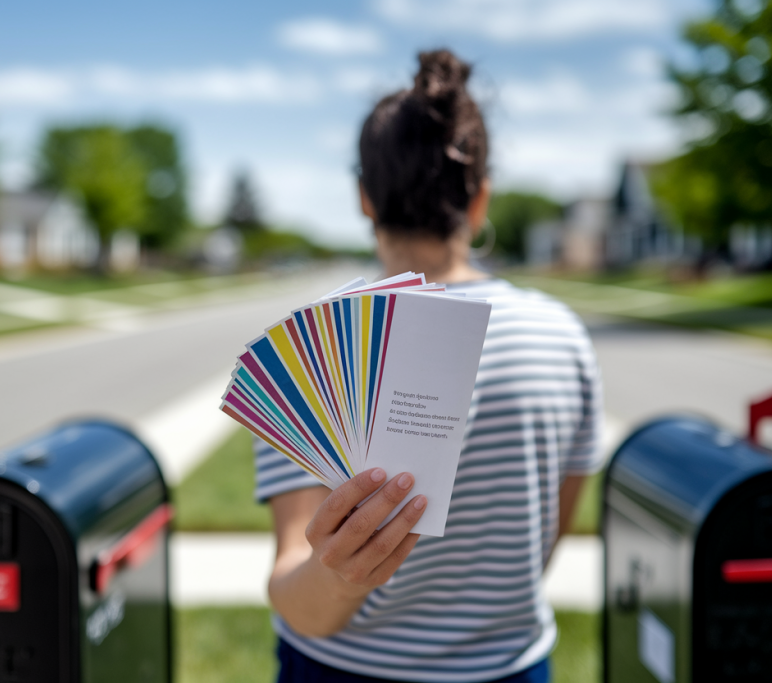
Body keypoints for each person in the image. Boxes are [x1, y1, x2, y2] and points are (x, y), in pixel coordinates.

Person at [254, 49, 603, 683]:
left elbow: (301, 604)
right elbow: (541, 546)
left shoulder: (313, 351)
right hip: (509, 668)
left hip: (343, 670)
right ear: (480, 198)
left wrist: (343, 576)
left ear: (364, 197)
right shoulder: (563, 336)